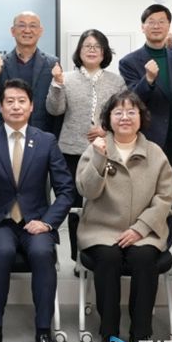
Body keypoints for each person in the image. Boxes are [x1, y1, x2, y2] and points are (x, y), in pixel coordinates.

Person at [0, 78, 74, 342]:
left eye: (21, 101)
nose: (16, 106)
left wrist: (48, 223)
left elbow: (66, 190)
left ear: (31, 106)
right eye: (9, 101)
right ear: (1, 108)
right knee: (1, 252)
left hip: (36, 221)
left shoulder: (46, 141)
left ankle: (44, 333)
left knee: (42, 252)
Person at [76, 90, 172, 342]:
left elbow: (165, 198)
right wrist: (99, 158)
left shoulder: (155, 153)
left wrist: (140, 228)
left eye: (132, 112)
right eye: (118, 112)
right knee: (108, 258)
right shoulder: (95, 148)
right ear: (108, 119)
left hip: (144, 231)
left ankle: (141, 334)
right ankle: (110, 333)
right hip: (101, 229)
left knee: (144, 258)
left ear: (141, 117)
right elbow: (86, 190)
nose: (125, 117)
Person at [45, 29, 125, 261]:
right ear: (79, 51)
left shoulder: (116, 81)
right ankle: (78, 256)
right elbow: (55, 109)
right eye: (87, 46)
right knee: (74, 205)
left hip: (106, 150)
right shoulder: (66, 78)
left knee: (104, 202)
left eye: (97, 46)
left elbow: (123, 113)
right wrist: (57, 84)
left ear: (105, 52)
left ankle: (101, 250)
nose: (92, 50)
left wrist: (106, 129)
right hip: (71, 150)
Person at [119, 4, 172, 244]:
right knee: (141, 195)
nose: (156, 26)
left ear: (169, 26)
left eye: (161, 21)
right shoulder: (129, 61)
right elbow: (132, 101)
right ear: (143, 27)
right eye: (151, 22)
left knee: (168, 197)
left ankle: (164, 246)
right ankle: (138, 244)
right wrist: (148, 80)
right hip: (145, 141)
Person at [0, 11, 61, 134]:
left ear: (40, 31)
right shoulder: (0, 63)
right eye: (22, 25)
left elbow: (57, 104)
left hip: (42, 133)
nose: (27, 30)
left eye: (32, 26)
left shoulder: (52, 63)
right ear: (13, 31)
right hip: (7, 132)